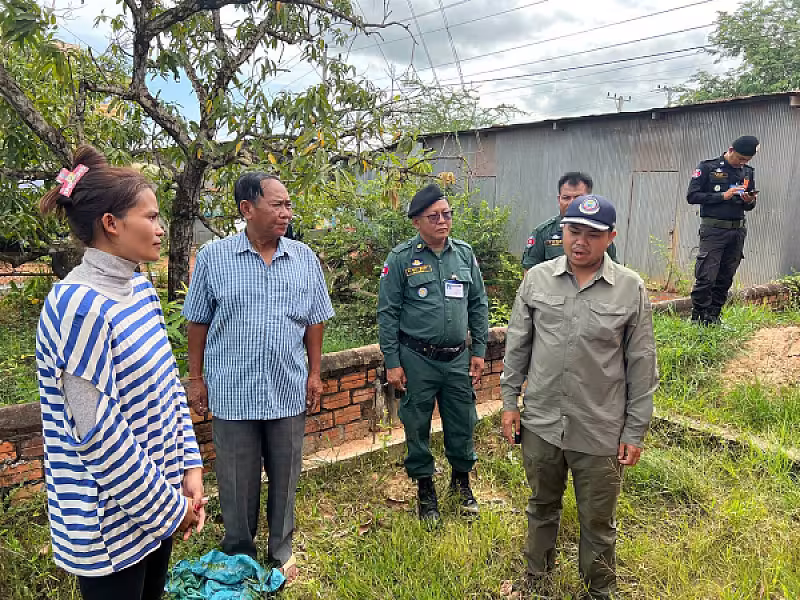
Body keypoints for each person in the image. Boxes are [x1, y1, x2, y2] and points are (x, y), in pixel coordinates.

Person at [36, 145, 205, 600]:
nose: (160, 227)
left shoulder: (139, 290)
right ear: (111, 224)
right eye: (149, 217)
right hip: (111, 523)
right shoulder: (79, 306)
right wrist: (169, 508)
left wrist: (190, 467)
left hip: (159, 502)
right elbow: (98, 432)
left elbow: (169, 390)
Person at [501, 195, 658, 600]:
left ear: (611, 237)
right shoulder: (537, 279)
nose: (580, 242)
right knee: (540, 507)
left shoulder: (629, 287)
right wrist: (509, 403)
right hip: (542, 424)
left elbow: (642, 364)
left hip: (601, 428)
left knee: (598, 521)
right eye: (573, 232)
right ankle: (537, 581)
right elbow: (517, 346)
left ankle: (599, 591)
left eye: (592, 234)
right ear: (563, 232)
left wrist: (635, 430)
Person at [182, 172, 334, 582]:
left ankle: (280, 548)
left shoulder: (303, 258)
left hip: (287, 386)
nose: (287, 212)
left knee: (286, 473)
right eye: (278, 204)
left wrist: (315, 374)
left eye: (288, 205)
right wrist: (195, 378)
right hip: (232, 389)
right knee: (234, 478)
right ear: (247, 209)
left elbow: (316, 320)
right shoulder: (214, 258)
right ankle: (238, 550)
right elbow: (196, 321)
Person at [377, 183, 489, 524]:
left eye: (447, 214)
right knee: (417, 425)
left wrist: (480, 350)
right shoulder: (400, 260)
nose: (443, 221)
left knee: (463, 422)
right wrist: (393, 363)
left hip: (457, 357)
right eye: (434, 216)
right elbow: (387, 313)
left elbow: (478, 304)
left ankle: (461, 483)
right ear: (416, 222)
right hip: (417, 359)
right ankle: (425, 492)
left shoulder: (464, 255)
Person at [687, 135, 759, 325]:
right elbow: (692, 196)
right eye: (740, 159)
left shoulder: (747, 172)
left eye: (746, 161)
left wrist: (749, 200)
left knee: (725, 276)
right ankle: (698, 317)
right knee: (706, 276)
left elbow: (749, 206)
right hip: (714, 230)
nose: (741, 163)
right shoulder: (708, 167)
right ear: (731, 150)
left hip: (737, 231)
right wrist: (722, 196)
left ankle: (714, 316)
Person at [521, 172, 617, 270]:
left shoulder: (600, 232)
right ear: (559, 200)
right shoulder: (543, 232)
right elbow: (529, 272)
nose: (571, 203)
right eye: (566, 198)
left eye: (578, 198)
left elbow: (612, 269)